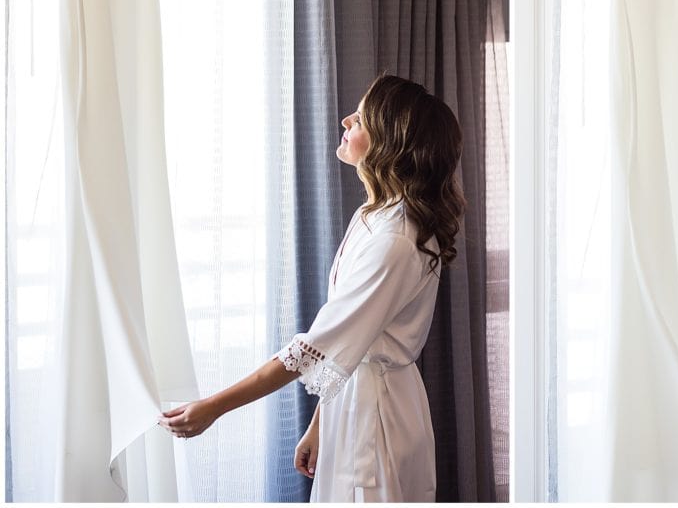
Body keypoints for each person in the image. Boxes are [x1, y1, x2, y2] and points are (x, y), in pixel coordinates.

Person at [159, 74, 465, 502]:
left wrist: (214, 407)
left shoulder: (392, 241)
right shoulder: (372, 216)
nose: (346, 121)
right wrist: (321, 423)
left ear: (387, 143)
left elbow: (314, 348)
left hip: (378, 419)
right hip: (356, 401)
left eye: (359, 120)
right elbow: (350, 339)